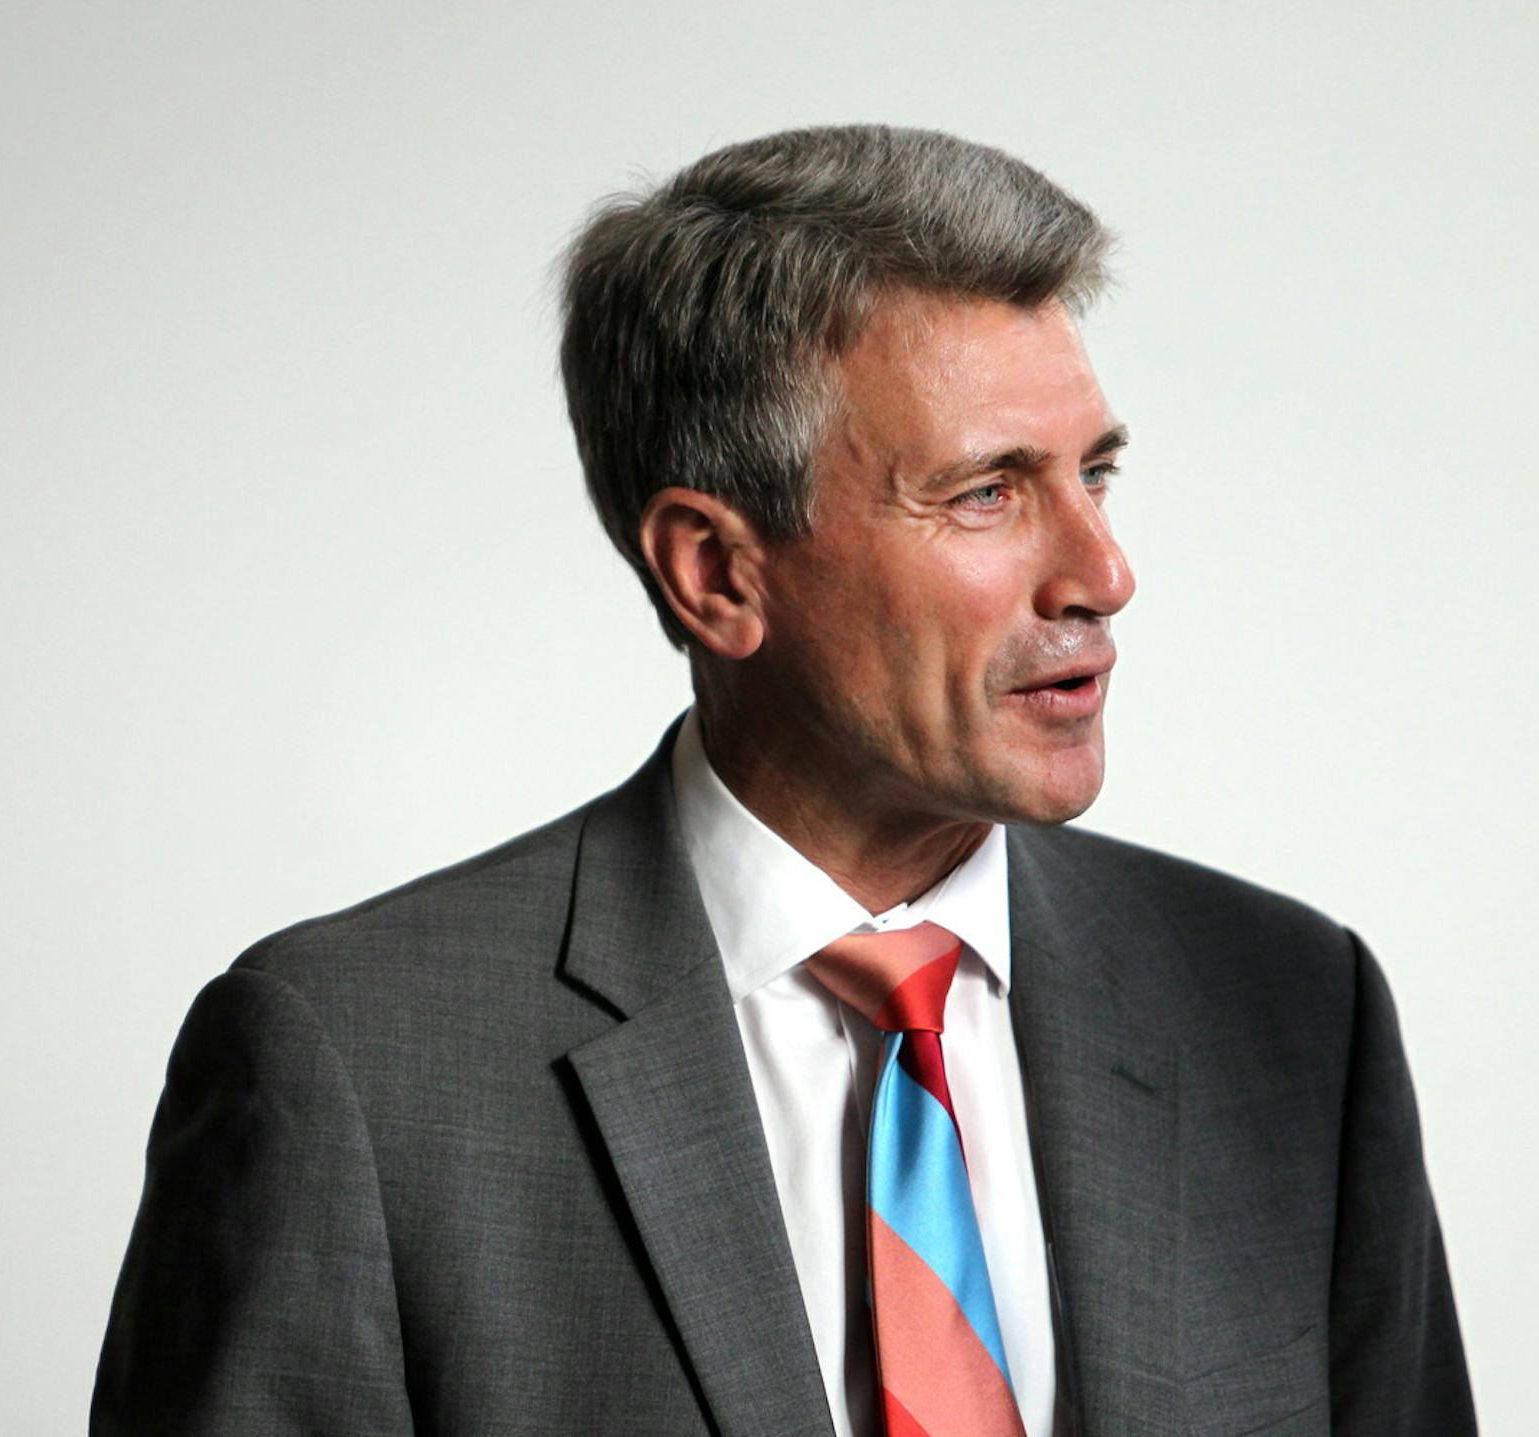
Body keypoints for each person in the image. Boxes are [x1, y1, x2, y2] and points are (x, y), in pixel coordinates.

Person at [90, 125, 1474, 1436]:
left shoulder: (1295, 1015)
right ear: (717, 570)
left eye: (1095, 475)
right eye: (988, 490)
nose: (1102, 575)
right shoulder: (351, 1068)